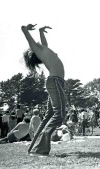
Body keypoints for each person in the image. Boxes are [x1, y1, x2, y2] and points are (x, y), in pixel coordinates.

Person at [21, 24, 66, 156]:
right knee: (60, 114)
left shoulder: (45, 49)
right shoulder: (39, 51)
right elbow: (29, 39)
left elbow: (44, 42)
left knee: (48, 117)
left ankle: (33, 147)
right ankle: (40, 149)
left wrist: (41, 31)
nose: (40, 42)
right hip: (55, 82)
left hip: (57, 83)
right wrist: (25, 29)